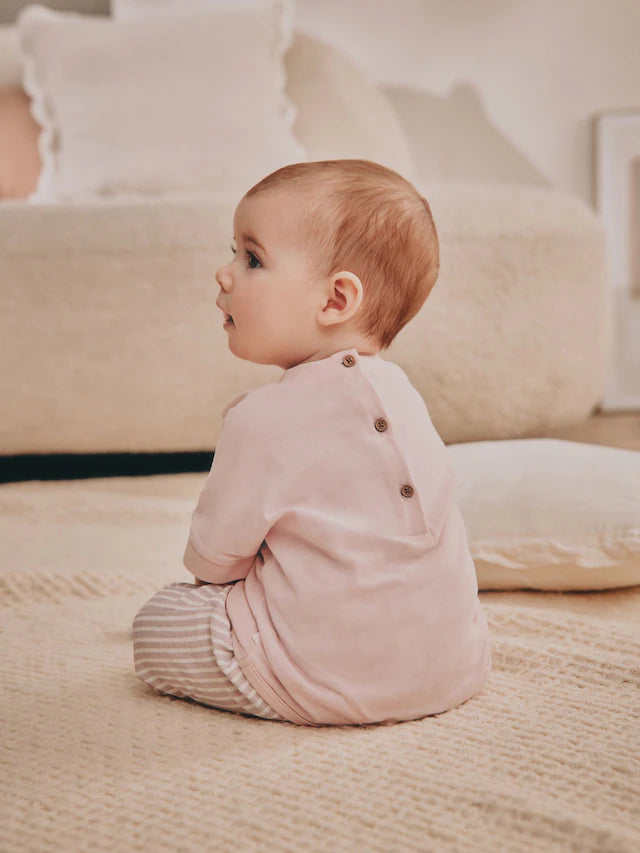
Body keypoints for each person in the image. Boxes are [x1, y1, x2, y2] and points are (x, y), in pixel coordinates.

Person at [132, 158, 492, 727]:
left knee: (158, 622)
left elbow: (214, 563)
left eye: (251, 258)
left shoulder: (261, 418)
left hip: (316, 677)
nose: (223, 274)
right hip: (452, 667)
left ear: (334, 300)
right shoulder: (405, 398)